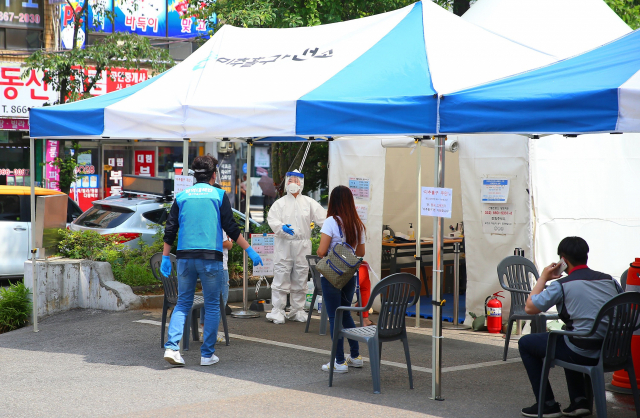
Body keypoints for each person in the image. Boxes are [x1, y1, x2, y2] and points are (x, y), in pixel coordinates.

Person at [161, 155, 263, 367]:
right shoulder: (218, 194)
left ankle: (172, 348)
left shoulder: (182, 196)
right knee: (213, 304)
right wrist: (250, 250)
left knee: (183, 303)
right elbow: (231, 227)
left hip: (185, 258)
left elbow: (170, 229)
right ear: (214, 175)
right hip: (210, 259)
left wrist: (164, 257)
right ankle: (207, 355)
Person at [518, 236, 622, 418]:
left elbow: (530, 307)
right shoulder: (610, 281)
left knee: (527, 343)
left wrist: (543, 277)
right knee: (569, 334)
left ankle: (547, 404)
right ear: (586, 256)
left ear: (563, 261)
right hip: (613, 351)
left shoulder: (561, 285)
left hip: (582, 350)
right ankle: (579, 401)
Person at [266, 170, 326, 324]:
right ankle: (277, 310)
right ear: (286, 182)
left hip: (303, 244)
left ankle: (297, 310)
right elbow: (272, 220)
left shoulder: (309, 202)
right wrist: (281, 227)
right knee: (281, 274)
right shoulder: (279, 203)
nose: (293, 183)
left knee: (301, 275)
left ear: (302, 183)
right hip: (284, 243)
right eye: (291, 180)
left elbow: (324, 219)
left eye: (297, 180)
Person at [317, 185, 366, 373]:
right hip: (349, 274)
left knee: (333, 316)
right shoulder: (357, 223)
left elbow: (322, 251)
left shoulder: (331, 221)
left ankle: (338, 361)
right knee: (345, 313)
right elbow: (361, 252)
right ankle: (355, 356)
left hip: (331, 275)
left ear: (333, 201)